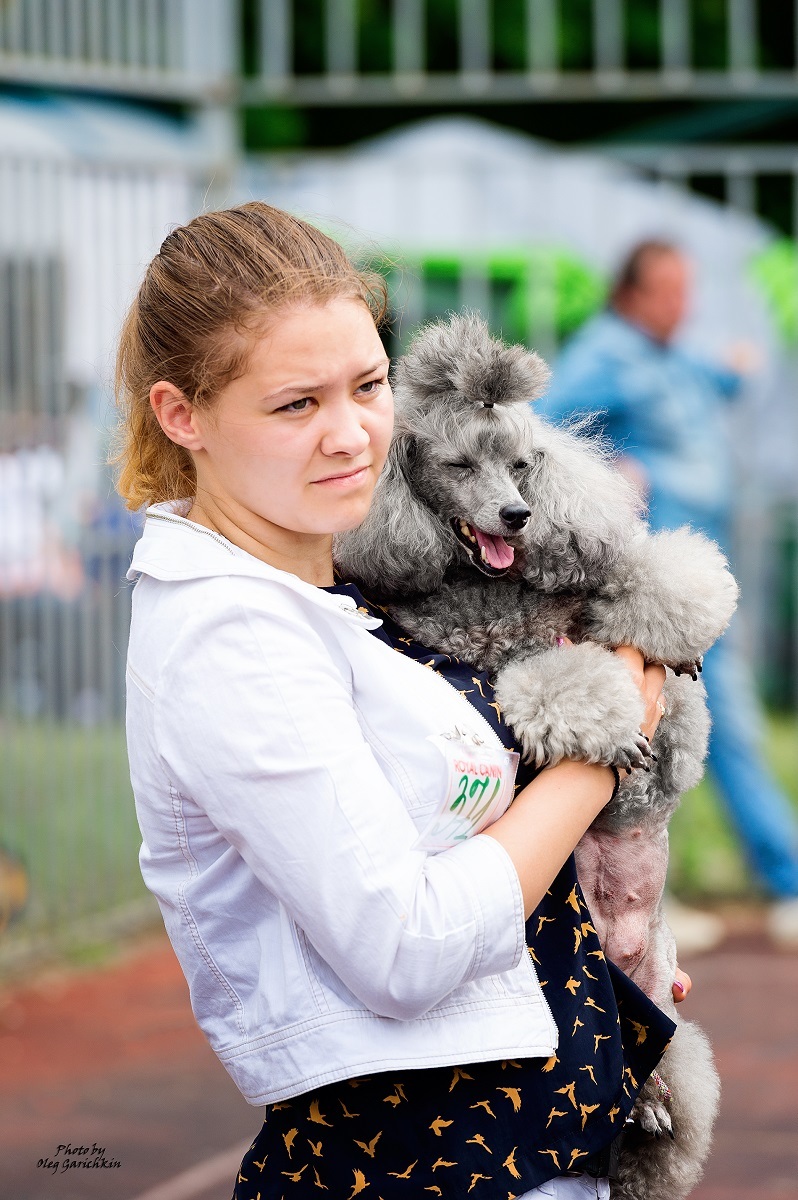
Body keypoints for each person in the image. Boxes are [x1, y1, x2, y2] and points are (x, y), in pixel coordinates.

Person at [117, 204, 689, 1199]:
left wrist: (590, 942)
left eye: (370, 385)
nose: (353, 435)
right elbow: (407, 945)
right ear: (182, 415)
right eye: (297, 404)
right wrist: (604, 749)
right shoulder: (230, 637)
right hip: (434, 1164)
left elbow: (462, 836)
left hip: (531, 1137)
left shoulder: (327, 585)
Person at [540, 239, 798, 951]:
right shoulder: (605, 351)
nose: (682, 305)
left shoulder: (666, 352)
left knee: (691, 733)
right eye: (669, 291)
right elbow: (545, 432)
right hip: (647, 590)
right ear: (631, 291)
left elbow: (707, 381)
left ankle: (682, 896)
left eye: (688, 290)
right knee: (672, 735)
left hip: (700, 581)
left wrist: (737, 370)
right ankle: (696, 898)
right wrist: (612, 472)